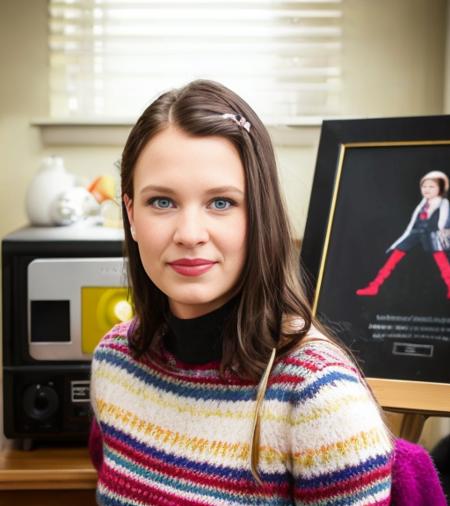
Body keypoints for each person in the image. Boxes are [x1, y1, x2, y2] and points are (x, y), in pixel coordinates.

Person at [89, 80, 393, 505]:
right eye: (162, 202)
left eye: (221, 203)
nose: (190, 235)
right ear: (131, 214)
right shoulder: (112, 363)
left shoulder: (320, 397)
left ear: (259, 215)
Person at [356, 171, 450, 298]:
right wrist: (405, 236)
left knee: (442, 262)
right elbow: (412, 222)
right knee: (393, 257)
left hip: (432, 234)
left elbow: (444, 220)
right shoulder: (422, 203)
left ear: (440, 188)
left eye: (431, 186)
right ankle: (374, 286)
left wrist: (442, 231)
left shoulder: (443, 203)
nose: (427, 189)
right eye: (424, 186)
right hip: (415, 232)